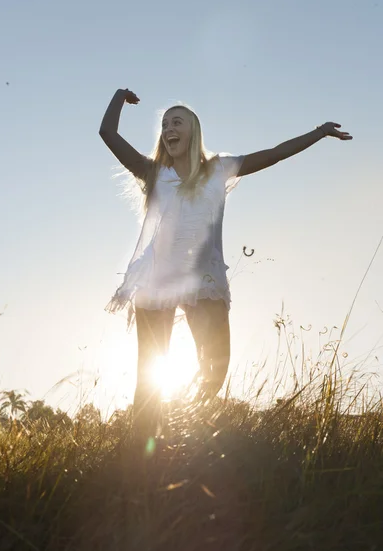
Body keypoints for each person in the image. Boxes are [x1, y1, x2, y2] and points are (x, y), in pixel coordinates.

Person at [99, 87, 352, 441]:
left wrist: (319, 132)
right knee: (149, 379)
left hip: (204, 281)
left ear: (193, 131)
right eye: (165, 124)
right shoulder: (154, 173)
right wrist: (119, 96)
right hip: (156, 284)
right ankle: (144, 456)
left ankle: (182, 425)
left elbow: (275, 154)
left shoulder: (218, 169)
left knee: (215, 370)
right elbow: (108, 134)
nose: (169, 128)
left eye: (177, 122)